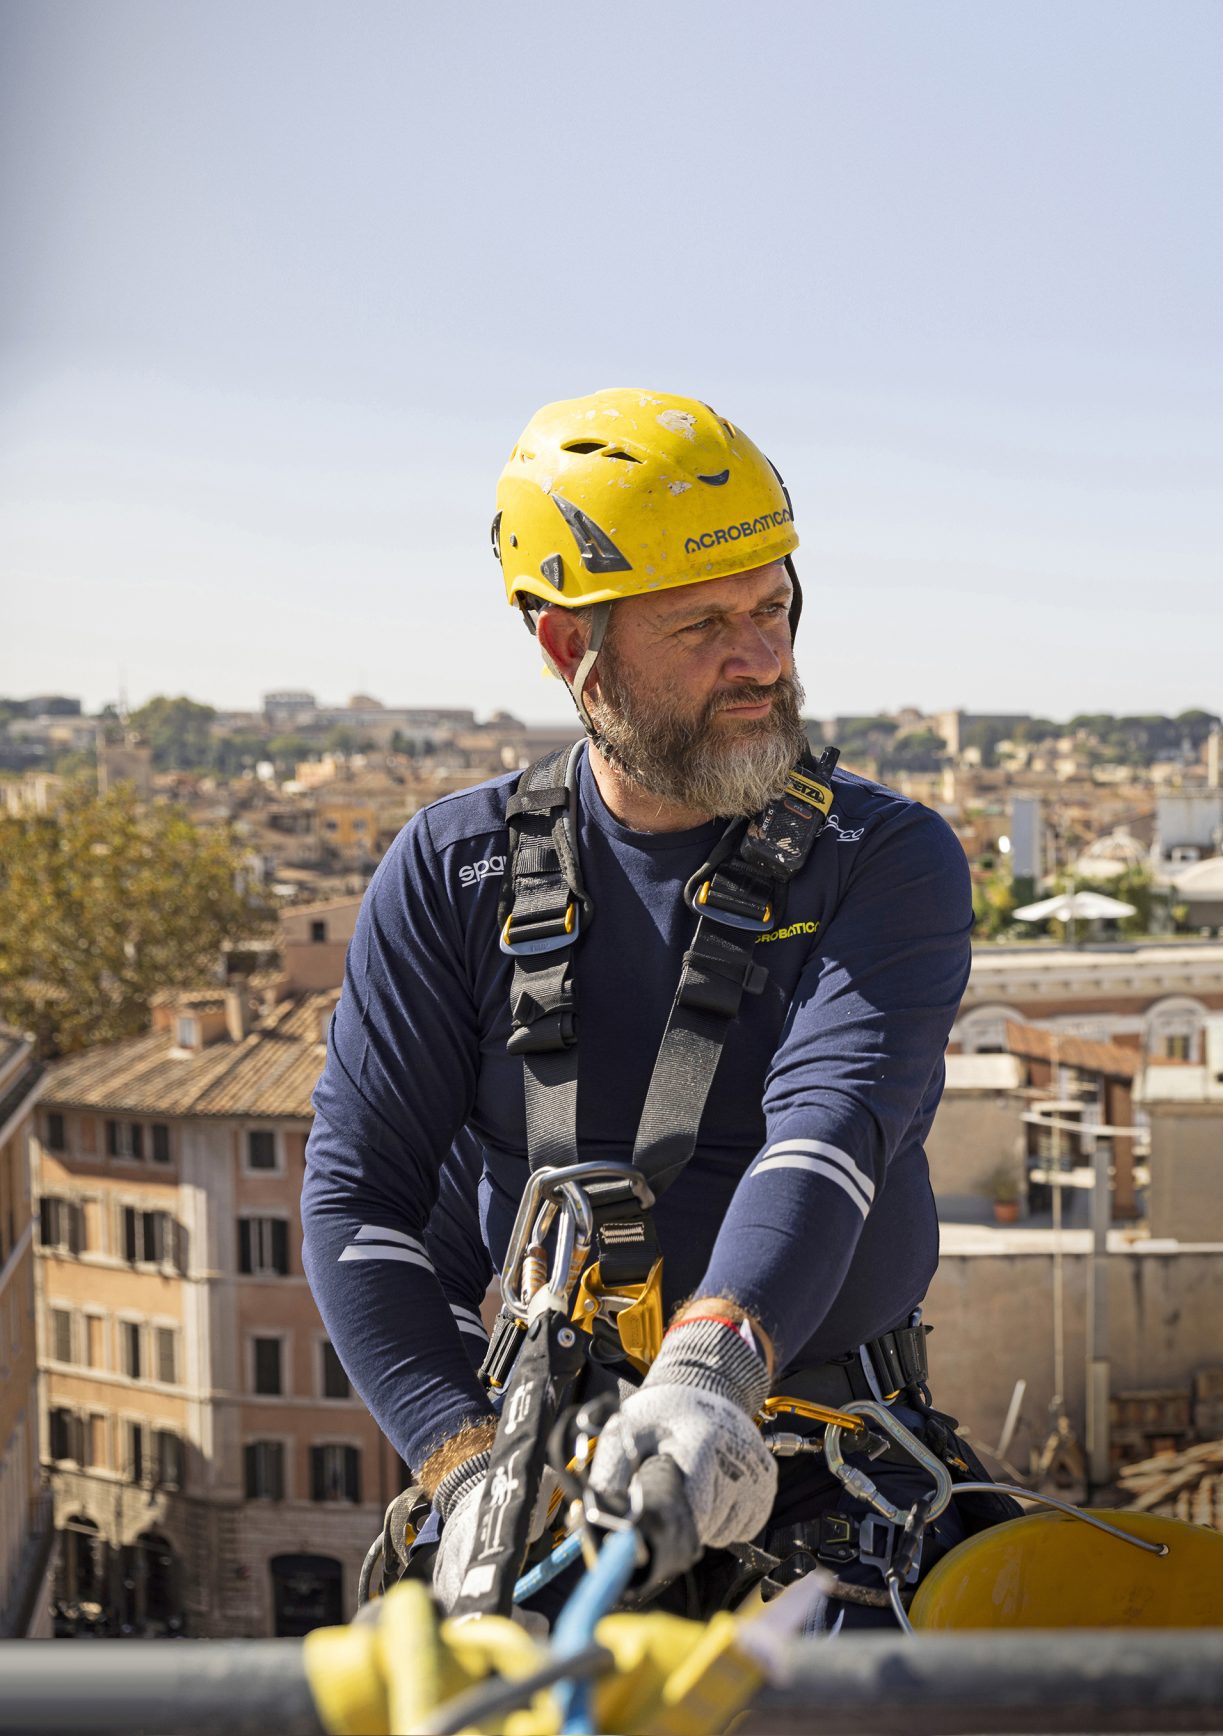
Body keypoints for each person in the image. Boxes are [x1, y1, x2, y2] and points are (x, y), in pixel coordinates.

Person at [303, 388, 981, 1624]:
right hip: (538, 1473)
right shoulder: (453, 870)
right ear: (572, 649)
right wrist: (465, 1478)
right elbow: (359, 1193)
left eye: (774, 606)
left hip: (817, 1465)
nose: (764, 658)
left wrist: (716, 1365)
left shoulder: (886, 857)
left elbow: (829, 1124)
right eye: (706, 623)